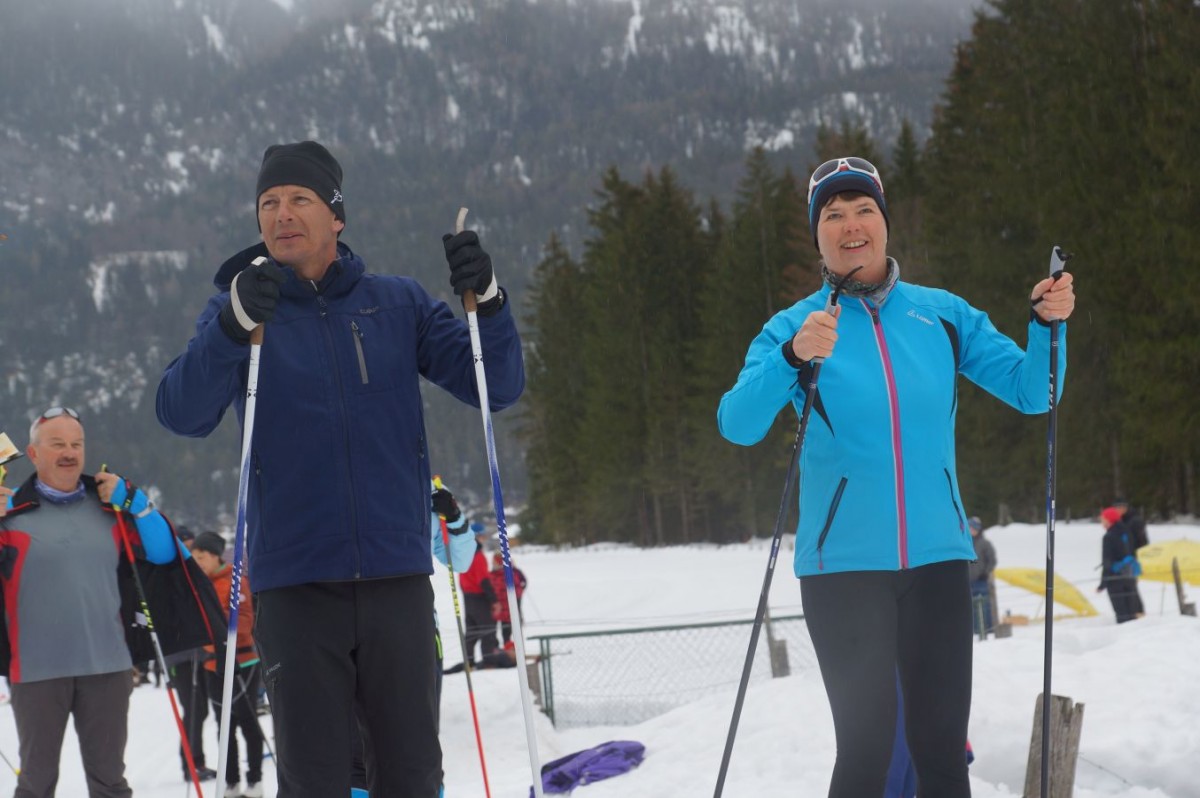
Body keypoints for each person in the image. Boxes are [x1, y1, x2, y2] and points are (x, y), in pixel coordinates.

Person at [155, 140, 525, 797]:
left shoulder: (397, 304)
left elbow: (495, 383)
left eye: (299, 198)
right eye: (268, 203)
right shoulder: (238, 312)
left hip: (395, 580)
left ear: (336, 216)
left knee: (412, 777)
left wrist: (489, 301)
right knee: (316, 782)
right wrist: (232, 326)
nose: (281, 214)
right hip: (295, 589)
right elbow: (181, 412)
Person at [717, 156, 1075, 797]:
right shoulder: (794, 328)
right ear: (818, 235)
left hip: (939, 562)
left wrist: (1047, 326)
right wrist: (792, 357)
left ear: (884, 223)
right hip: (843, 570)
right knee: (867, 754)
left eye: (864, 210)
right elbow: (737, 423)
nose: (851, 225)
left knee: (941, 755)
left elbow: (1034, 391)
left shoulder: (941, 315)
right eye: (833, 215)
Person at [0, 406, 223, 798]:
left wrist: (138, 503)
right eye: (57, 444)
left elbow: (165, 555)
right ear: (33, 454)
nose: (69, 452)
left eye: (76, 444)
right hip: (35, 671)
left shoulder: (110, 509)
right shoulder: (11, 512)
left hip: (107, 668)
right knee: (36, 784)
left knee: (110, 784)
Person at [350, 480, 476, 798]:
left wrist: (454, 517)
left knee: (417, 739)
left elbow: (460, 561)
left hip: (416, 630)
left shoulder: (425, 486)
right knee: (356, 741)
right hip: (351, 624)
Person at [191, 531, 265, 798]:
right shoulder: (199, 584)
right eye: (194, 558)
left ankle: (255, 781)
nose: (197, 563)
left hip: (242, 661)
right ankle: (231, 782)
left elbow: (245, 621)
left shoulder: (235, 580)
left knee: (247, 721)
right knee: (224, 726)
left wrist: (214, 624)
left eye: (201, 557)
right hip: (213, 665)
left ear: (214, 556)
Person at [460, 523, 500, 661]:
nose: (484, 538)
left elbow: (462, 580)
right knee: (488, 630)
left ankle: (469, 662)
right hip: (479, 598)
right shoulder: (478, 556)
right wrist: (494, 600)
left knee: (471, 632)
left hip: (468, 597)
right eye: (483, 535)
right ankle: (489, 662)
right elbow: (483, 580)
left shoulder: (464, 556)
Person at [1096, 506, 1143, 623]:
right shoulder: (1127, 532)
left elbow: (1107, 562)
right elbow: (1133, 553)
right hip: (1129, 575)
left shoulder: (1109, 537)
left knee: (1122, 614)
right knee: (1132, 613)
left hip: (1115, 578)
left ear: (1109, 520)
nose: (1102, 522)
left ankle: (1125, 633)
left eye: (1103, 519)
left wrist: (1103, 584)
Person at [488, 551, 528, 645]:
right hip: (497, 608)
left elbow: (520, 586)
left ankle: (508, 649)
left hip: (506, 609)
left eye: (494, 562)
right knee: (492, 634)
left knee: (506, 633)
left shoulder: (508, 574)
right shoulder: (493, 574)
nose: (492, 564)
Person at [967, 517, 996, 635]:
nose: (971, 530)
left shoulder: (985, 544)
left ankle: (988, 629)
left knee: (985, 606)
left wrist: (985, 573)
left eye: (973, 528)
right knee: (971, 607)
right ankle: (975, 630)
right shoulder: (965, 544)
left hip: (981, 581)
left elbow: (992, 561)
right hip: (968, 581)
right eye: (969, 527)